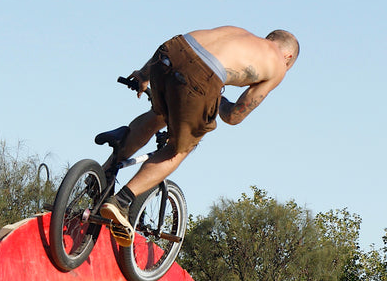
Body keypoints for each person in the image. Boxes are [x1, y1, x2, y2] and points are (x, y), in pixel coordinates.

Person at [99, 27, 299, 243]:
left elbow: (185, 44)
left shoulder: (239, 33)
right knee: (180, 148)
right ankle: (121, 201)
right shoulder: (279, 65)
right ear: (288, 56)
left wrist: (143, 74)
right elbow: (234, 116)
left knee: (160, 115)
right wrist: (218, 101)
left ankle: (104, 172)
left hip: (170, 51)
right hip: (201, 76)